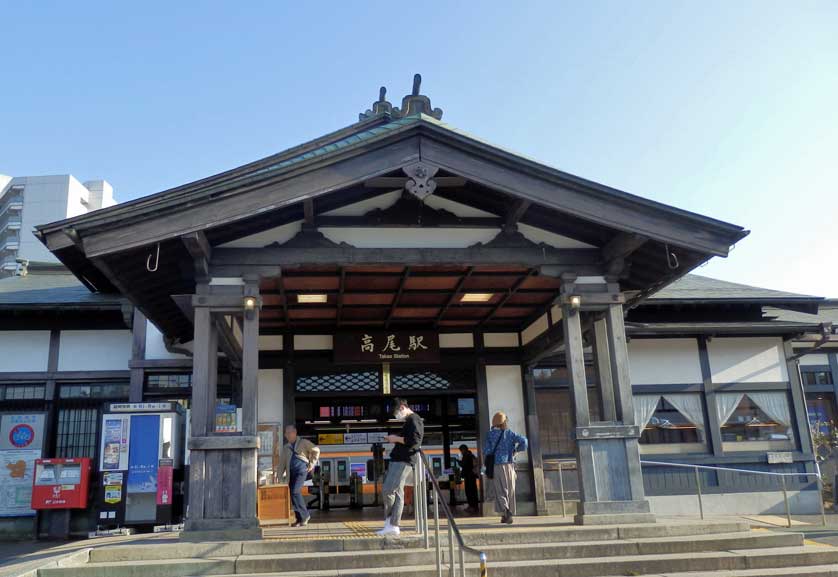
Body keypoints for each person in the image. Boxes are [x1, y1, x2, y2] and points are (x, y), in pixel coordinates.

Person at [376, 397, 424, 537]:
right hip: (400, 460)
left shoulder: (414, 419)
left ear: (402, 407)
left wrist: (395, 439)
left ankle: (392, 523)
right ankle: (391, 525)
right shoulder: (410, 421)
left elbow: (415, 441)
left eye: (396, 412)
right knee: (397, 492)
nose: (396, 416)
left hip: (403, 460)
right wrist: (395, 438)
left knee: (388, 489)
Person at [483, 411, 527, 524]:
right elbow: (524, 441)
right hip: (510, 465)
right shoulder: (510, 433)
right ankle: (508, 513)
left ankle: (505, 512)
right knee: (510, 490)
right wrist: (516, 451)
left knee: (500, 491)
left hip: (497, 466)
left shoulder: (490, 434)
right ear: (504, 422)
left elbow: (487, 451)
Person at [277, 425, 320, 527]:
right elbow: (281, 464)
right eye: (286, 433)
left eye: (290, 432)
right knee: (292, 495)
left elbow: (316, 450)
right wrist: (280, 477)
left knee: (295, 491)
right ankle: (299, 519)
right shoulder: (286, 447)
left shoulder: (303, 442)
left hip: (301, 471)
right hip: (291, 473)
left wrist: (311, 464)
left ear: (295, 432)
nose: (288, 435)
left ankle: (305, 516)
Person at [458, 444, 479, 513]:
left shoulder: (467, 456)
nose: (461, 452)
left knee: (470, 492)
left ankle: (472, 506)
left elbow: (465, 465)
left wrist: (459, 462)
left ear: (464, 449)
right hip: (471, 476)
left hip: (469, 476)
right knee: (472, 491)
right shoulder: (470, 455)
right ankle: (473, 506)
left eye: (461, 450)